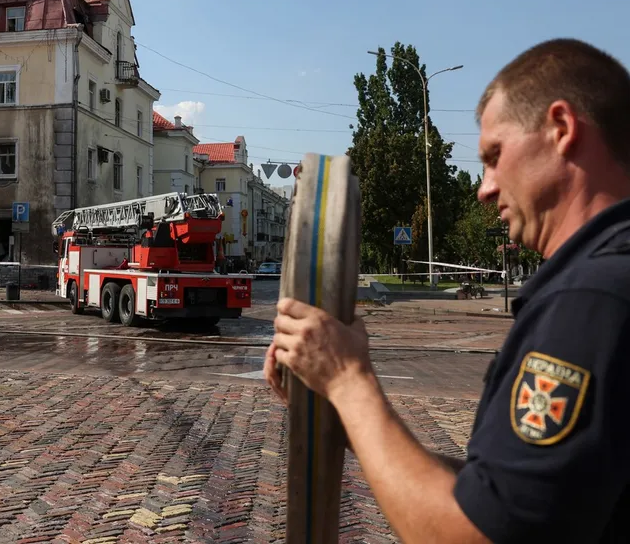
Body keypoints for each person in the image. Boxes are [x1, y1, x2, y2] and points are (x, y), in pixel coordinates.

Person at [264, 38, 630, 543]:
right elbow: (505, 495)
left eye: (495, 155)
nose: (484, 186)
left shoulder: (590, 301)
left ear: (562, 129)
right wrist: (344, 412)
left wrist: (349, 380)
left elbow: (478, 534)